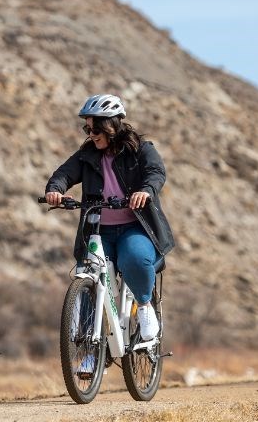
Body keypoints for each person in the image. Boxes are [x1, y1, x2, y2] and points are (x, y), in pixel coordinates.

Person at [44, 94, 174, 343]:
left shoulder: (141, 150)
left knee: (134, 258)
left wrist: (145, 191)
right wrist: (55, 190)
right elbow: (63, 174)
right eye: (88, 128)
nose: (91, 134)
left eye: (95, 128)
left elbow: (156, 172)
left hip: (134, 227)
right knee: (87, 275)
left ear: (112, 125)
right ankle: (87, 351)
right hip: (98, 231)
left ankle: (144, 306)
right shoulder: (87, 155)